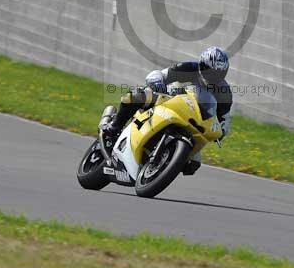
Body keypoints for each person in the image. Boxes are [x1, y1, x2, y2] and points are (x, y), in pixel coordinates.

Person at [100, 47, 233, 176]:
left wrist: (221, 131)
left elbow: (224, 119)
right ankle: (114, 126)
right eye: (210, 71)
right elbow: (160, 74)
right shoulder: (187, 68)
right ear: (202, 65)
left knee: (193, 163)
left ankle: (164, 163)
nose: (213, 76)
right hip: (167, 99)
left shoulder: (224, 92)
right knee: (136, 96)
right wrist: (157, 81)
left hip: (192, 119)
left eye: (218, 73)